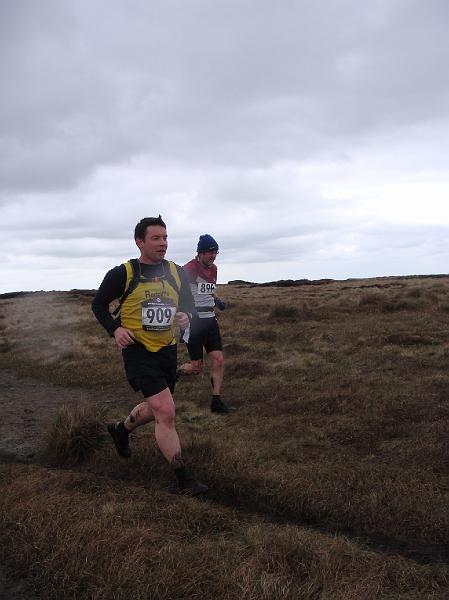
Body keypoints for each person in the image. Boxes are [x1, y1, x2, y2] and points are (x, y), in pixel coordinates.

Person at [91, 216, 208, 496]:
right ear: (139, 241)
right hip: (138, 352)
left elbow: (189, 307)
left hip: (166, 350)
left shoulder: (177, 272)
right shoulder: (124, 273)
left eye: (165, 238)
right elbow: (98, 305)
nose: (163, 244)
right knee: (166, 411)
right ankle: (185, 479)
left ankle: (121, 430)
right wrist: (115, 329)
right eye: (156, 238)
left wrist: (184, 316)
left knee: (156, 407)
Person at [177, 234, 236, 414]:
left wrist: (218, 300)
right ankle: (177, 371)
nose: (213, 256)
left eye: (215, 252)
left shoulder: (214, 269)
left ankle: (216, 401)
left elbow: (209, 288)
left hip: (210, 320)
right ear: (201, 253)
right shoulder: (189, 269)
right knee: (196, 368)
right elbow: (177, 291)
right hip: (194, 323)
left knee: (218, 359)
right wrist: (184, 312)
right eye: (210, 252)